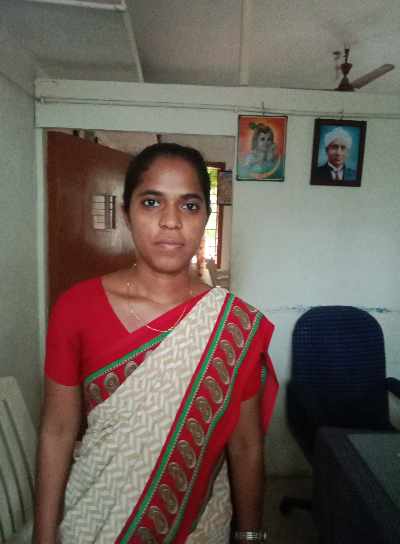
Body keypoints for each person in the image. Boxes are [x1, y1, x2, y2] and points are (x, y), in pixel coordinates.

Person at [34, 142, 279, 544]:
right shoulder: (76, 308)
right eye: (151, 202)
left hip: (197, 530)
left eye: (189, 206)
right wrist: (43, 536)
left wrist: (249, 536)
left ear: (205, 217)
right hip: (95, 523)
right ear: (126, 213)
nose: (170, 221)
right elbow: (57, 431)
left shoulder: (234, 326)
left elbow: (247, 446)